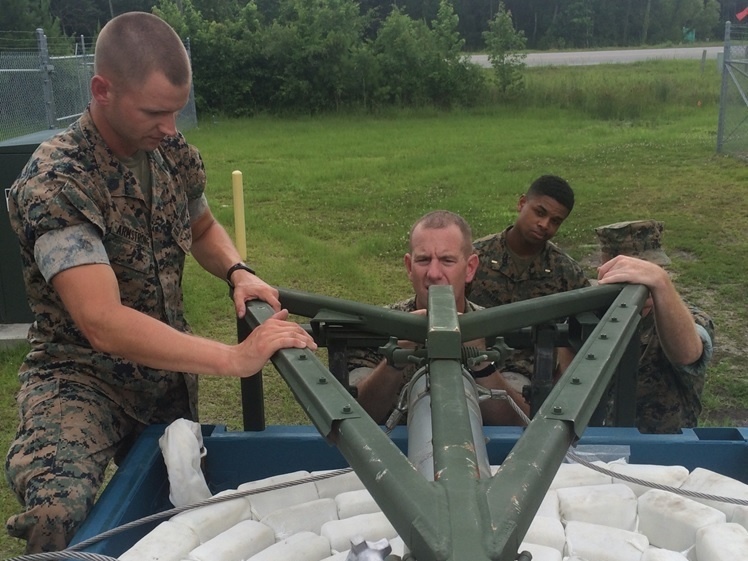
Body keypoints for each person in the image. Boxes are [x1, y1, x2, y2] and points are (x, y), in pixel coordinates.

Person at [4, 12, 316, 553]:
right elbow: (100, 321)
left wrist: (237, 270)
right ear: (102, 90)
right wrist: (232, 358)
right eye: (155, 111)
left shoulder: (171, 154)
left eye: (177, 110)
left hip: (165, 377)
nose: (171, 126)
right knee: (57, 514)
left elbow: (202, 226)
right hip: (80, 380)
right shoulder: (58, 180)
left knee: (181, 512)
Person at [347, 210, 530, 426]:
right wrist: (394, 361)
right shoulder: (379, 326)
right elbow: (356, 416)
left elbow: (518, 420)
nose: (434, 273)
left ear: (470, 268)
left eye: (447, 260)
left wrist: (482, 362)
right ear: (409, 267)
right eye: (423, 260)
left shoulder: (502, 330)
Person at [595, 219, 715, 434]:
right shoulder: (592, 316)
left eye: (648, 272)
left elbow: (688, 354)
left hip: (664, 452)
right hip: (598, 447)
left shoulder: (685, 317)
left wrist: (661, 283)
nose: (642, 285)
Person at [469, 174, 590, 382]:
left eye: (555, 221)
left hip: (532, 382)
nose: (544, 225)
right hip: (474, 370)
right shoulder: (475, 258)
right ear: (522, 203)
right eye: (539, 212)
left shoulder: (565, 271)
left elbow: (589, 328)